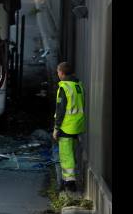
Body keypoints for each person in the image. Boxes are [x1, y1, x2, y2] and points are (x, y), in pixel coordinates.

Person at [53, 61, 86, 193]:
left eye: (58, 72)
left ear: (61, 72)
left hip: (66, 126)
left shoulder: (64, 87)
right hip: (77, 125)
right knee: (72, 154)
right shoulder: (78, 86)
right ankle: (69, 181)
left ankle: (69, 184)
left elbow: (60, 110)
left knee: (66, 156)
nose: (57, 74)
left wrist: (56, 128)